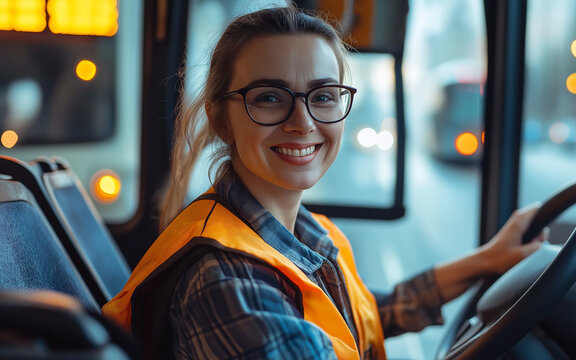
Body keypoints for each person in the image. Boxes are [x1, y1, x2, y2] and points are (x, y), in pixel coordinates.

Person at [102, 6, 546, 360]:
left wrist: (487, 261)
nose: (303, 123)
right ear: (221, 119)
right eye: (270, 98)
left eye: (324, 96)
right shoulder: (230, 282)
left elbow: (363, 314)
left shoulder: (296, 233)